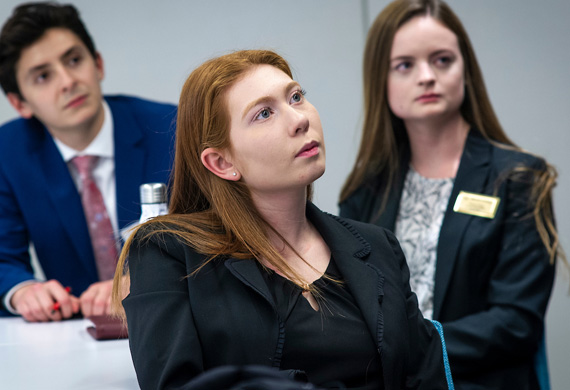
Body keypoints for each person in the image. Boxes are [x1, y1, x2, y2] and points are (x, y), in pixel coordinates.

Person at [112, 50, 452, 390]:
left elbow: (425, 373)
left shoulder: (377, 245)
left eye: (296, 97)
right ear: (221, 162)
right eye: (264, 113)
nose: (299, 119)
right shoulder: (165, 252)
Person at [339, 1, 561, 389]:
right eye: (405, 65)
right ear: (382, 80)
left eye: (442, 60)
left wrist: (416, 345)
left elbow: (516, 322)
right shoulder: (365, 191)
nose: (427, 76)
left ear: (466, 71)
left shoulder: (519, 179)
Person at [0, 2, 176, 322]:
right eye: (43, 76)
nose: (67, 81)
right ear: (19, 103)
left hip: (174, 318)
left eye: (74, 60)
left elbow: (217, 233)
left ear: (98, 65)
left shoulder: (170, 128)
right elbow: (2, 258)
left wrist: (147, 281)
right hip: (77, 335)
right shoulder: (7, 153)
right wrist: (23, 290)